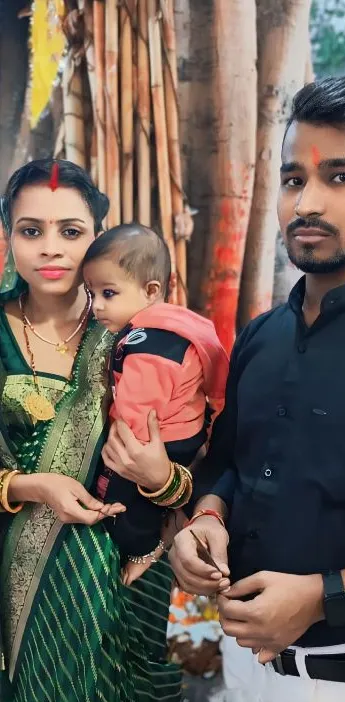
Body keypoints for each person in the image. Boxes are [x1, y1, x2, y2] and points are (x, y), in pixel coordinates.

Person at [169, 75, 345, 702]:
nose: (307, 202)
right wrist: (205, 516)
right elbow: (232, 460)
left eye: (340, 176)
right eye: (293, 177)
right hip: (252, 682)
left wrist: (321, 595)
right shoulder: (263, 335)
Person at [0, 158, 182, 702]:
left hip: (133, 565)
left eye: (71, 230)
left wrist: (163, 481)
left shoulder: (139, 334)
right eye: (30, 229)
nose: (50, 247)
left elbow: (192, 449)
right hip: (37, 571)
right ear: (8, 237)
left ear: (97, 237)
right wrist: (29, 484)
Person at [82, 223, 228, 586]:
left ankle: (145, 547)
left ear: (151, 291)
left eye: (109, 293)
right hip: (181, 431)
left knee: (124, 501)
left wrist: (112, 438)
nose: (97, 305)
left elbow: (137, 414)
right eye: (91, 293)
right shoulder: (173, 327)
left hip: (162, 440)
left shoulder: (151, 343)